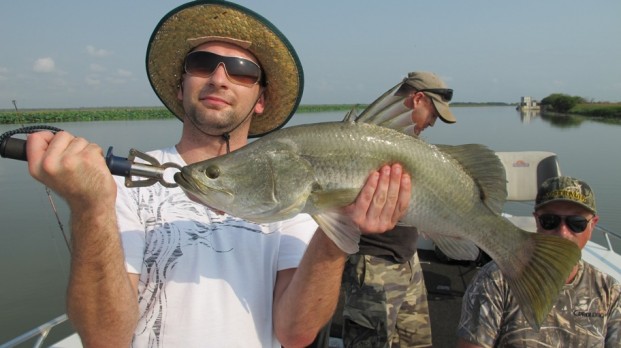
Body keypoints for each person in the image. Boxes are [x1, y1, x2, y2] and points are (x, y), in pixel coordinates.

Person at [24, 2, 411, 347]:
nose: (219, 78)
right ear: (181, 86)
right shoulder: (118, 188)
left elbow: (295, 333)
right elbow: (104, 340)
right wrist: (89, 208)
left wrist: (335, 234)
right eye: (202, 64)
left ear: (260, 100)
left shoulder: (292, 182)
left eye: (243, 70)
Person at [340, 72, 456, 348]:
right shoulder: (364, 138)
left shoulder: (409, 144)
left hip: (407, 257)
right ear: (417, 99)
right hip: (373, 263)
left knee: (416, 340)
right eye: (433, 114)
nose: (432, 123)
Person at [457, 176, 621, 347]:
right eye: (550, 221)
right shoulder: (496, 280)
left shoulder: (609, 291)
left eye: (576, 223)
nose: (563, 233)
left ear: (592, 224)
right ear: (537, 220)